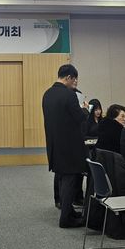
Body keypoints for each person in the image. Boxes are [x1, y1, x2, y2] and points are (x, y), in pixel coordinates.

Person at [42, 64, 88, 228]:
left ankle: (68, 211)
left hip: (54, 144)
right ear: (68, 77)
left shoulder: (47, 94)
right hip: (69, 145)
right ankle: (66, 219)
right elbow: (79, 118)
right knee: (70, 180)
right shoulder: (69, 95)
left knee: (62, 178)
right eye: (74, 79)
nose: (74, 83)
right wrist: (85, 109)